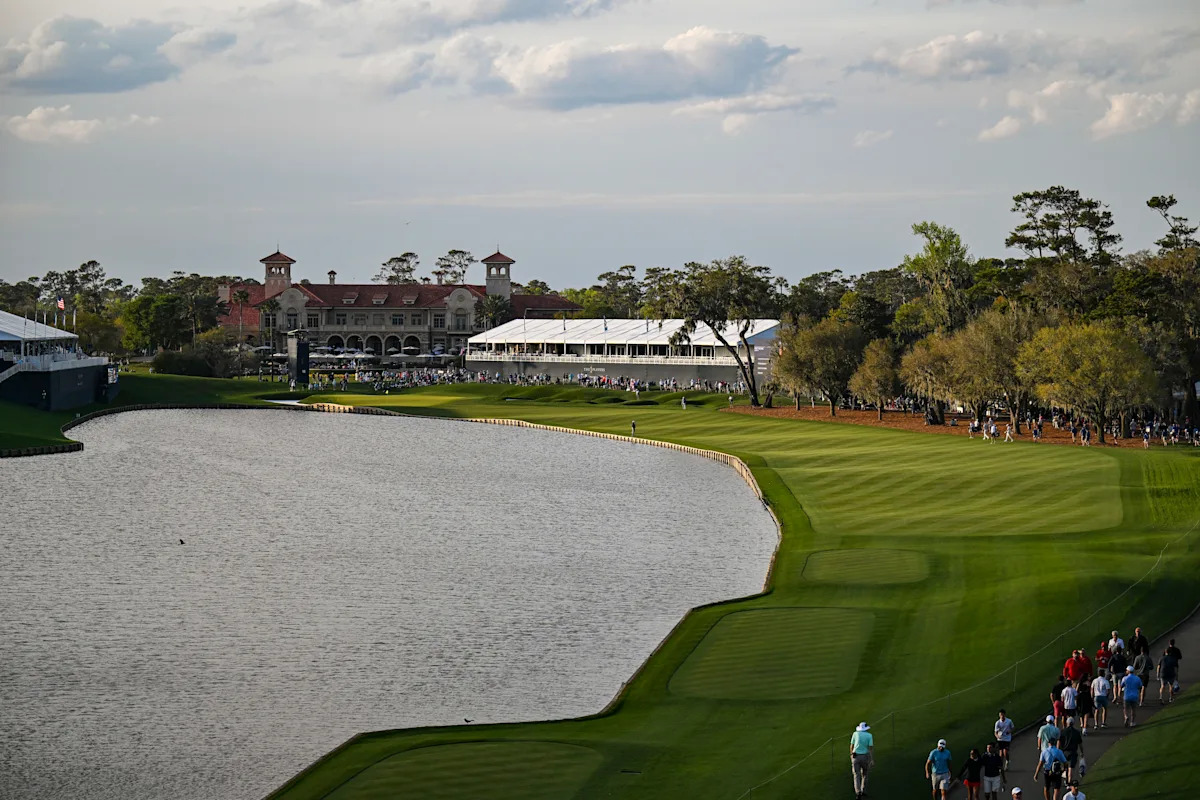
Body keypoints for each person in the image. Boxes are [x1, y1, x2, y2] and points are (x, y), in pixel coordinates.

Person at [850, 721, 874, 799]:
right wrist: (871, 759)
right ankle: (863, 790)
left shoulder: (855, 734)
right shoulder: (869, 735)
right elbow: (870, 748)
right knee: (865, 774)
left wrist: (851, 755)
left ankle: (858, 792)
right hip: (864, 756)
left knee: (856, 775)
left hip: (855, 756)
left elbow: (851, 745)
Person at [1057, 717, 1084, 785]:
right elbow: (1080, 743)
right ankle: (1069, 781)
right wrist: (1082, 752)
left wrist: (1058, 751)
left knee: (1065, 767)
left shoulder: (1062, 731)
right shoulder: (1076, 732)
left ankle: (1066, 780)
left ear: (1067, 723)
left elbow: (1059, 742)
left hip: (1064, 752)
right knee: (1071, 768)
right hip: (1073, 752)